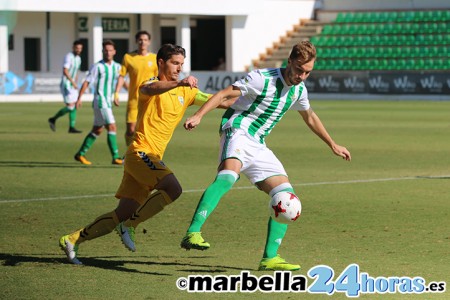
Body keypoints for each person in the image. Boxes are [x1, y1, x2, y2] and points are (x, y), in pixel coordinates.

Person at [180, 41, 351, 271]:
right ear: (289, 61)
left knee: (286, 196)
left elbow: (309, 116)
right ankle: (193, 232)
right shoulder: (262, 78)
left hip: (258, 144)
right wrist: (198, 116)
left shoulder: (299, 90)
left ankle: (269, 257)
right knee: (229, 176)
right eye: (299, 69)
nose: (302, 75)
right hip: (238, 129)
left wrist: (332, 144)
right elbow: (223, 94)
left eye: (307, 72)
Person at [59, 44, 234, 265]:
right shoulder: (150, 84)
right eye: (174, 63)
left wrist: (251, 96)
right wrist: (178, 82)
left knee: (122, 213)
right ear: (161, 62)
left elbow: (222, 101)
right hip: (140, 152)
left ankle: (72, 239)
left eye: (181, 64)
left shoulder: (187, 92)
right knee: (173, 188)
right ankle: (130, 225)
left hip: (149, 159)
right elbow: (151, 89)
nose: (179, 68)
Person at [73, 40, 123, 166]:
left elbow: (122, 81)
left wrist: (130, 92)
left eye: (110, 50)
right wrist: (79, 98)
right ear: (102, 52)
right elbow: (86, 82)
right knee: (112, 126)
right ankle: (116, 157)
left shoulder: (117, 67)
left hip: (107, 102)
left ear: (114, 52)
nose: (108, 52)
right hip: (100, 101)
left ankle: (80, 154)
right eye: (105, 50)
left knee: (98, 129)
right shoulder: (97, 66)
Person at [114, 30, 158, 146]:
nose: (142, 42)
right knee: (131, 130)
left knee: (145, 131)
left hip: (149, 100)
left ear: (149, 42)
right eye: (140, 40)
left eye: (145, 40)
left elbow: (160, 78)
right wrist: (116, 93)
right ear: (136, 41)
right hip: (134, 100)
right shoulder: (128, 57)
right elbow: (122, 76)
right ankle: (129, 153)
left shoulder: (154, 58)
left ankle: (138, 156)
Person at [48, 40, 84, 133]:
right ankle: (53, 119)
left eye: (80, 48)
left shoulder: (78, 58)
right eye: (77, 48)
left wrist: (76, 82)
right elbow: (65, 71)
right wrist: (72, 82)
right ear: (73, 48)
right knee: (70, 106)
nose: (78, 50)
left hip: (72, 85)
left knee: (75, 105)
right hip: (66, 84)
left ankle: (71, 127)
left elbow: (76, 71)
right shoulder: (69, 57)